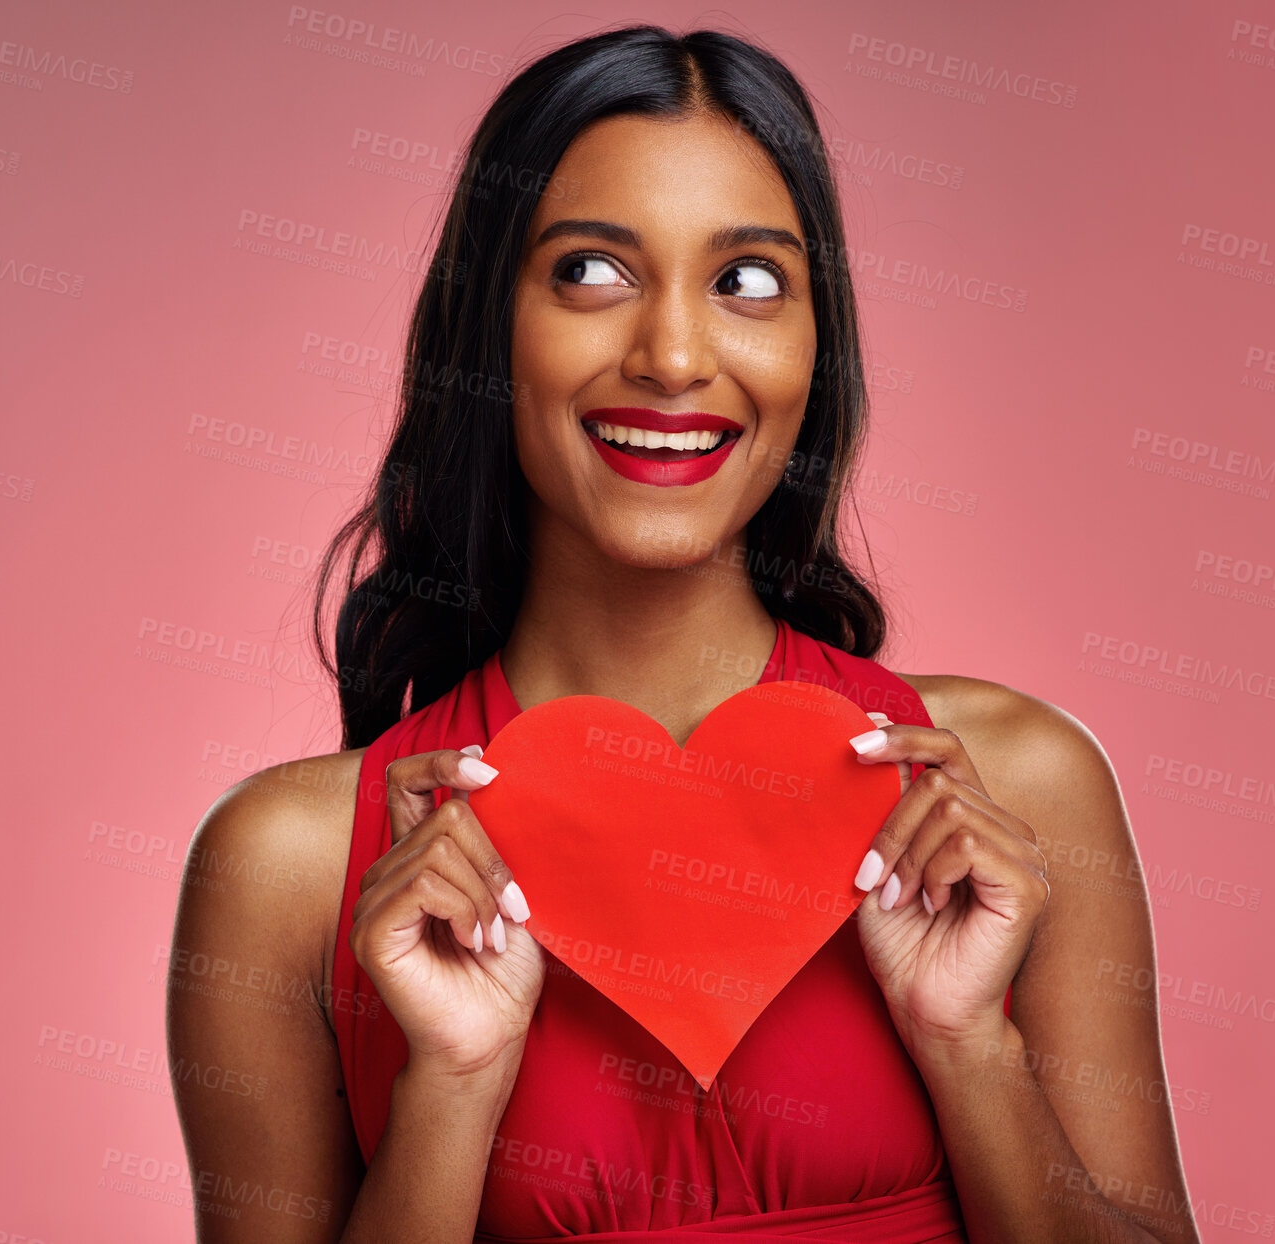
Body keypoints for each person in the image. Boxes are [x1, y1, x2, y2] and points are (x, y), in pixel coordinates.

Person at [166, 24, 1204, 1244]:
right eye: (591, 272)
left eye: (748, 281)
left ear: (820, 347)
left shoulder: (1016, 785)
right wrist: (448, 1085)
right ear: (484, 328)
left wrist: (968, 1044)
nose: (670, 356)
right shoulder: (287, 865)